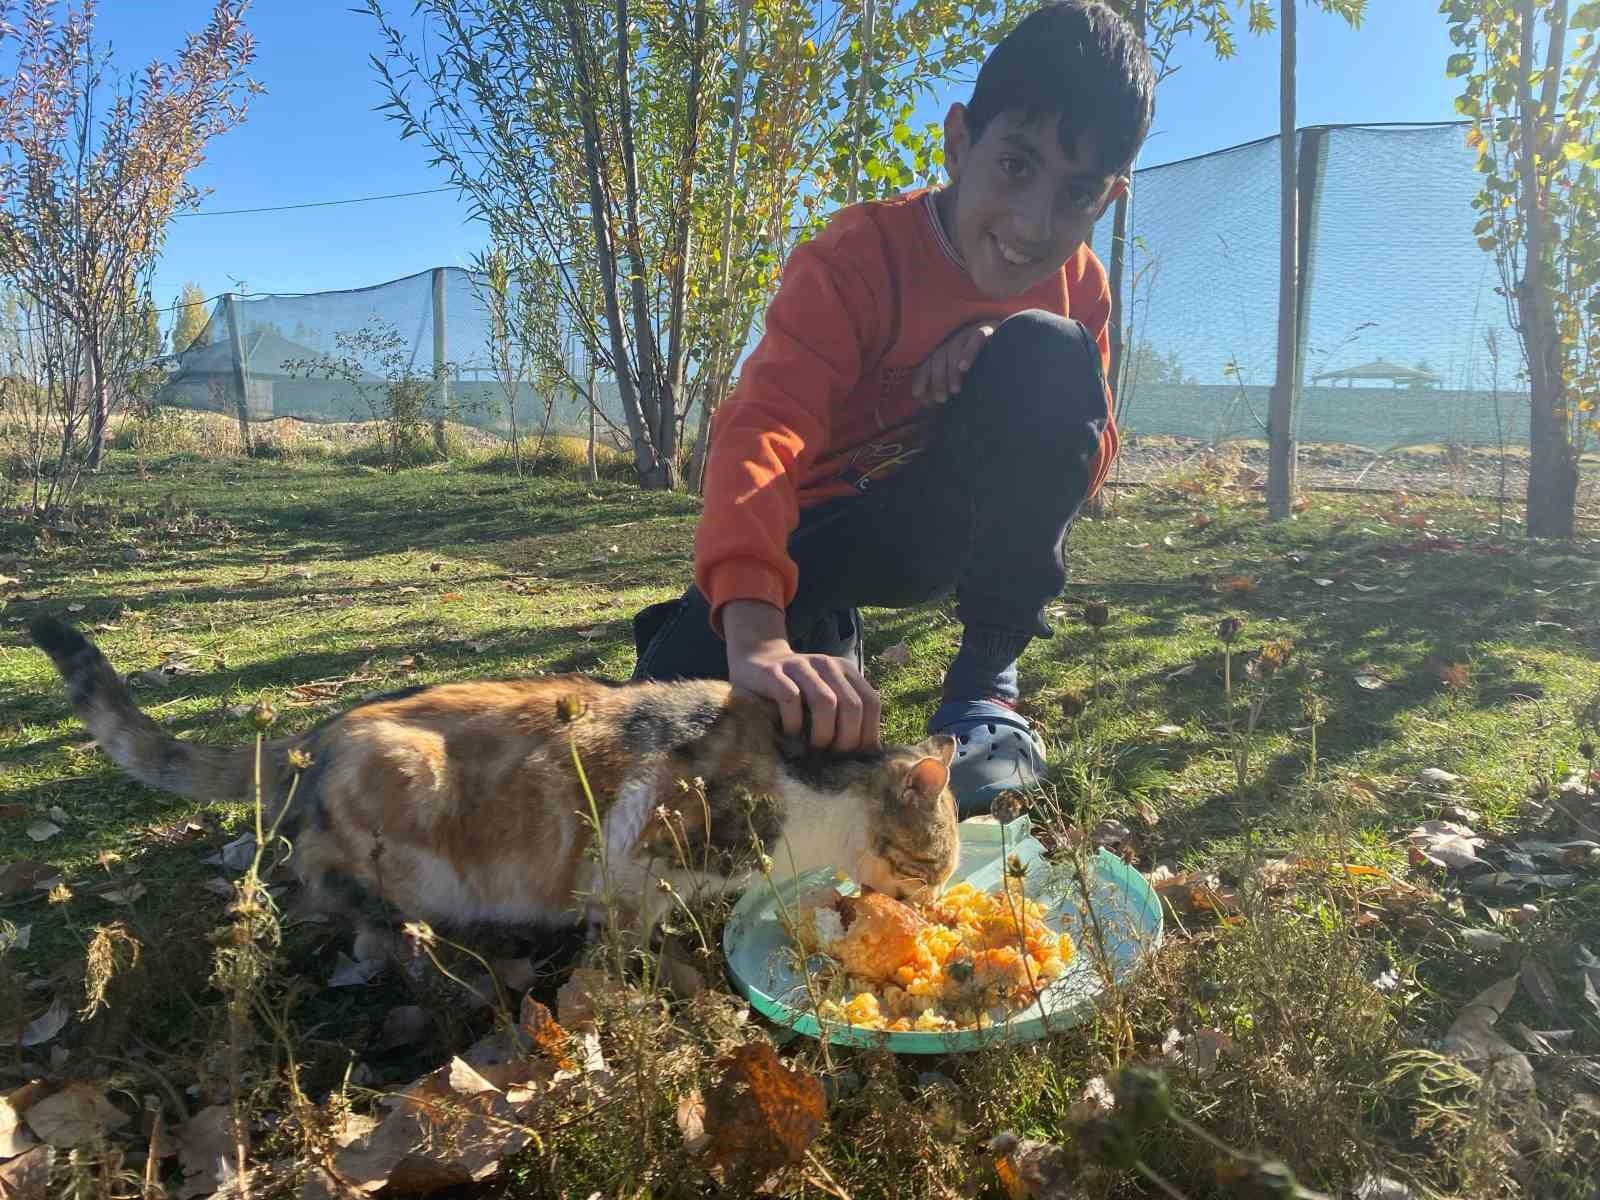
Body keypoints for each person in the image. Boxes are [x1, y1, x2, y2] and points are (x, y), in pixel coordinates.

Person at [632, 0, 1155, 816]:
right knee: (659, 752)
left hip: (937, 523)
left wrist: (1003, 339)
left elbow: (1082, 454)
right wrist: (757, 634)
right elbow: (763, 428)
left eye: (1075, 193)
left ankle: (985, 691)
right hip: (811, 533)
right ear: (957, 141)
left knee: (1051, 349)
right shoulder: (856, 258)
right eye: (1015, 166)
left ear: (1108, 198)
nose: (1031, 224)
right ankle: (779, 629)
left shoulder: (1078, 285)